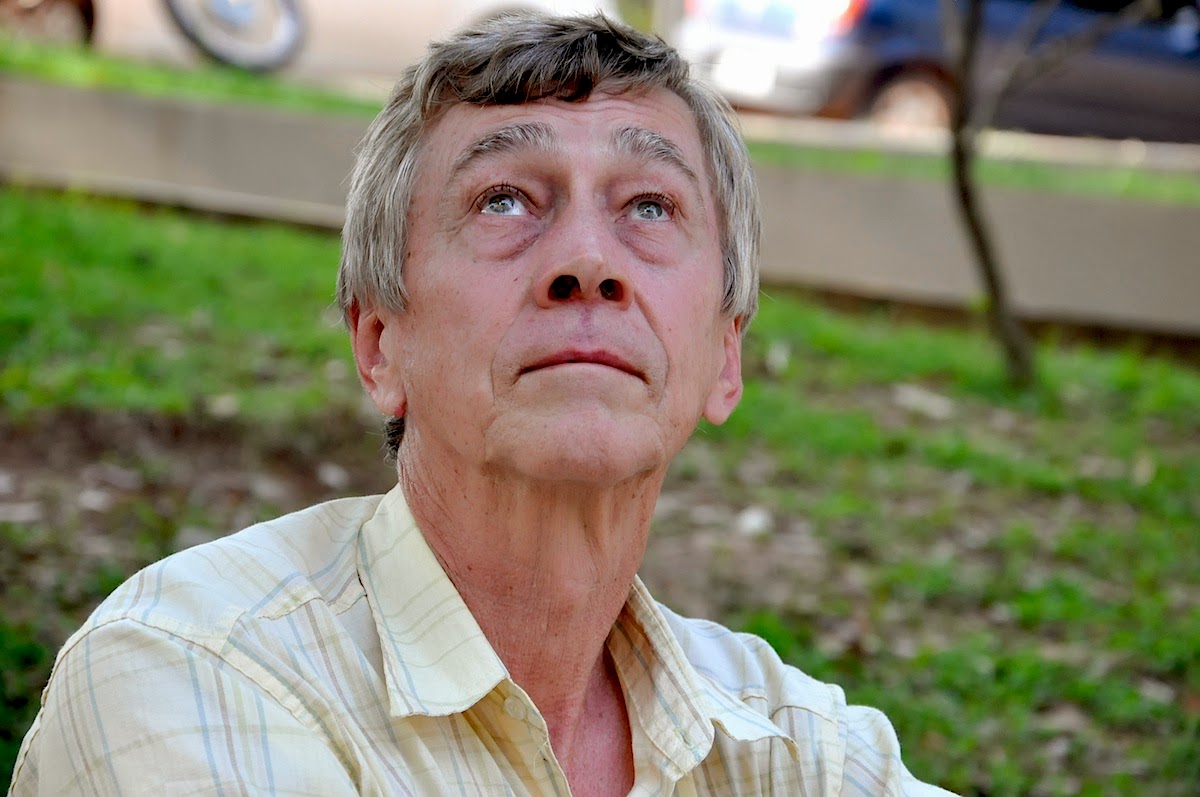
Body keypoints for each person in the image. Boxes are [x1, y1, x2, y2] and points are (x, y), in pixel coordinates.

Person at [9, 12, 954, 797]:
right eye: (504, 199)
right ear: (380, 343)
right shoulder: (191, 671)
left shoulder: (795, 746)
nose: (588, 260)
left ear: (726, 355)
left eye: (650, 205)